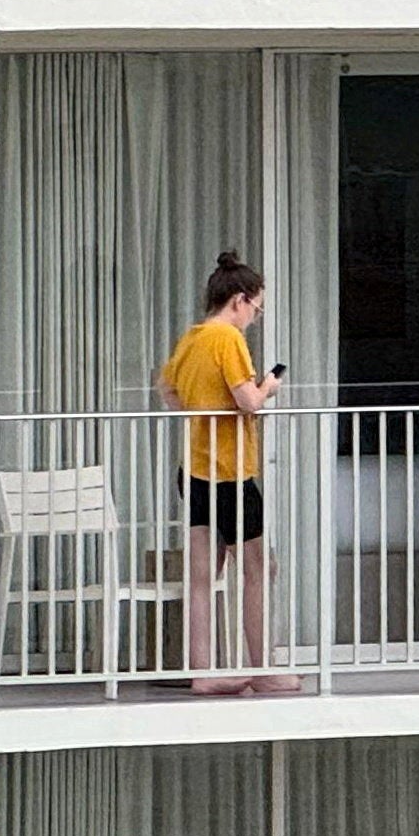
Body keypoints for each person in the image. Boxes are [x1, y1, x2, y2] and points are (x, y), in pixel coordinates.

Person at [159, 251, 297, 696]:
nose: (254, 318)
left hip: (194, 467)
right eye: (256, 308)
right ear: (239, 300)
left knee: (203, 574)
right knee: (259, 568)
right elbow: (248, 402)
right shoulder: (227, 339)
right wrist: (269, 387)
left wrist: (198, 413)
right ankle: (262, 668)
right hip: (230, 470)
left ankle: (203, 671)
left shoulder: (191, 338)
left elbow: (166, 389)